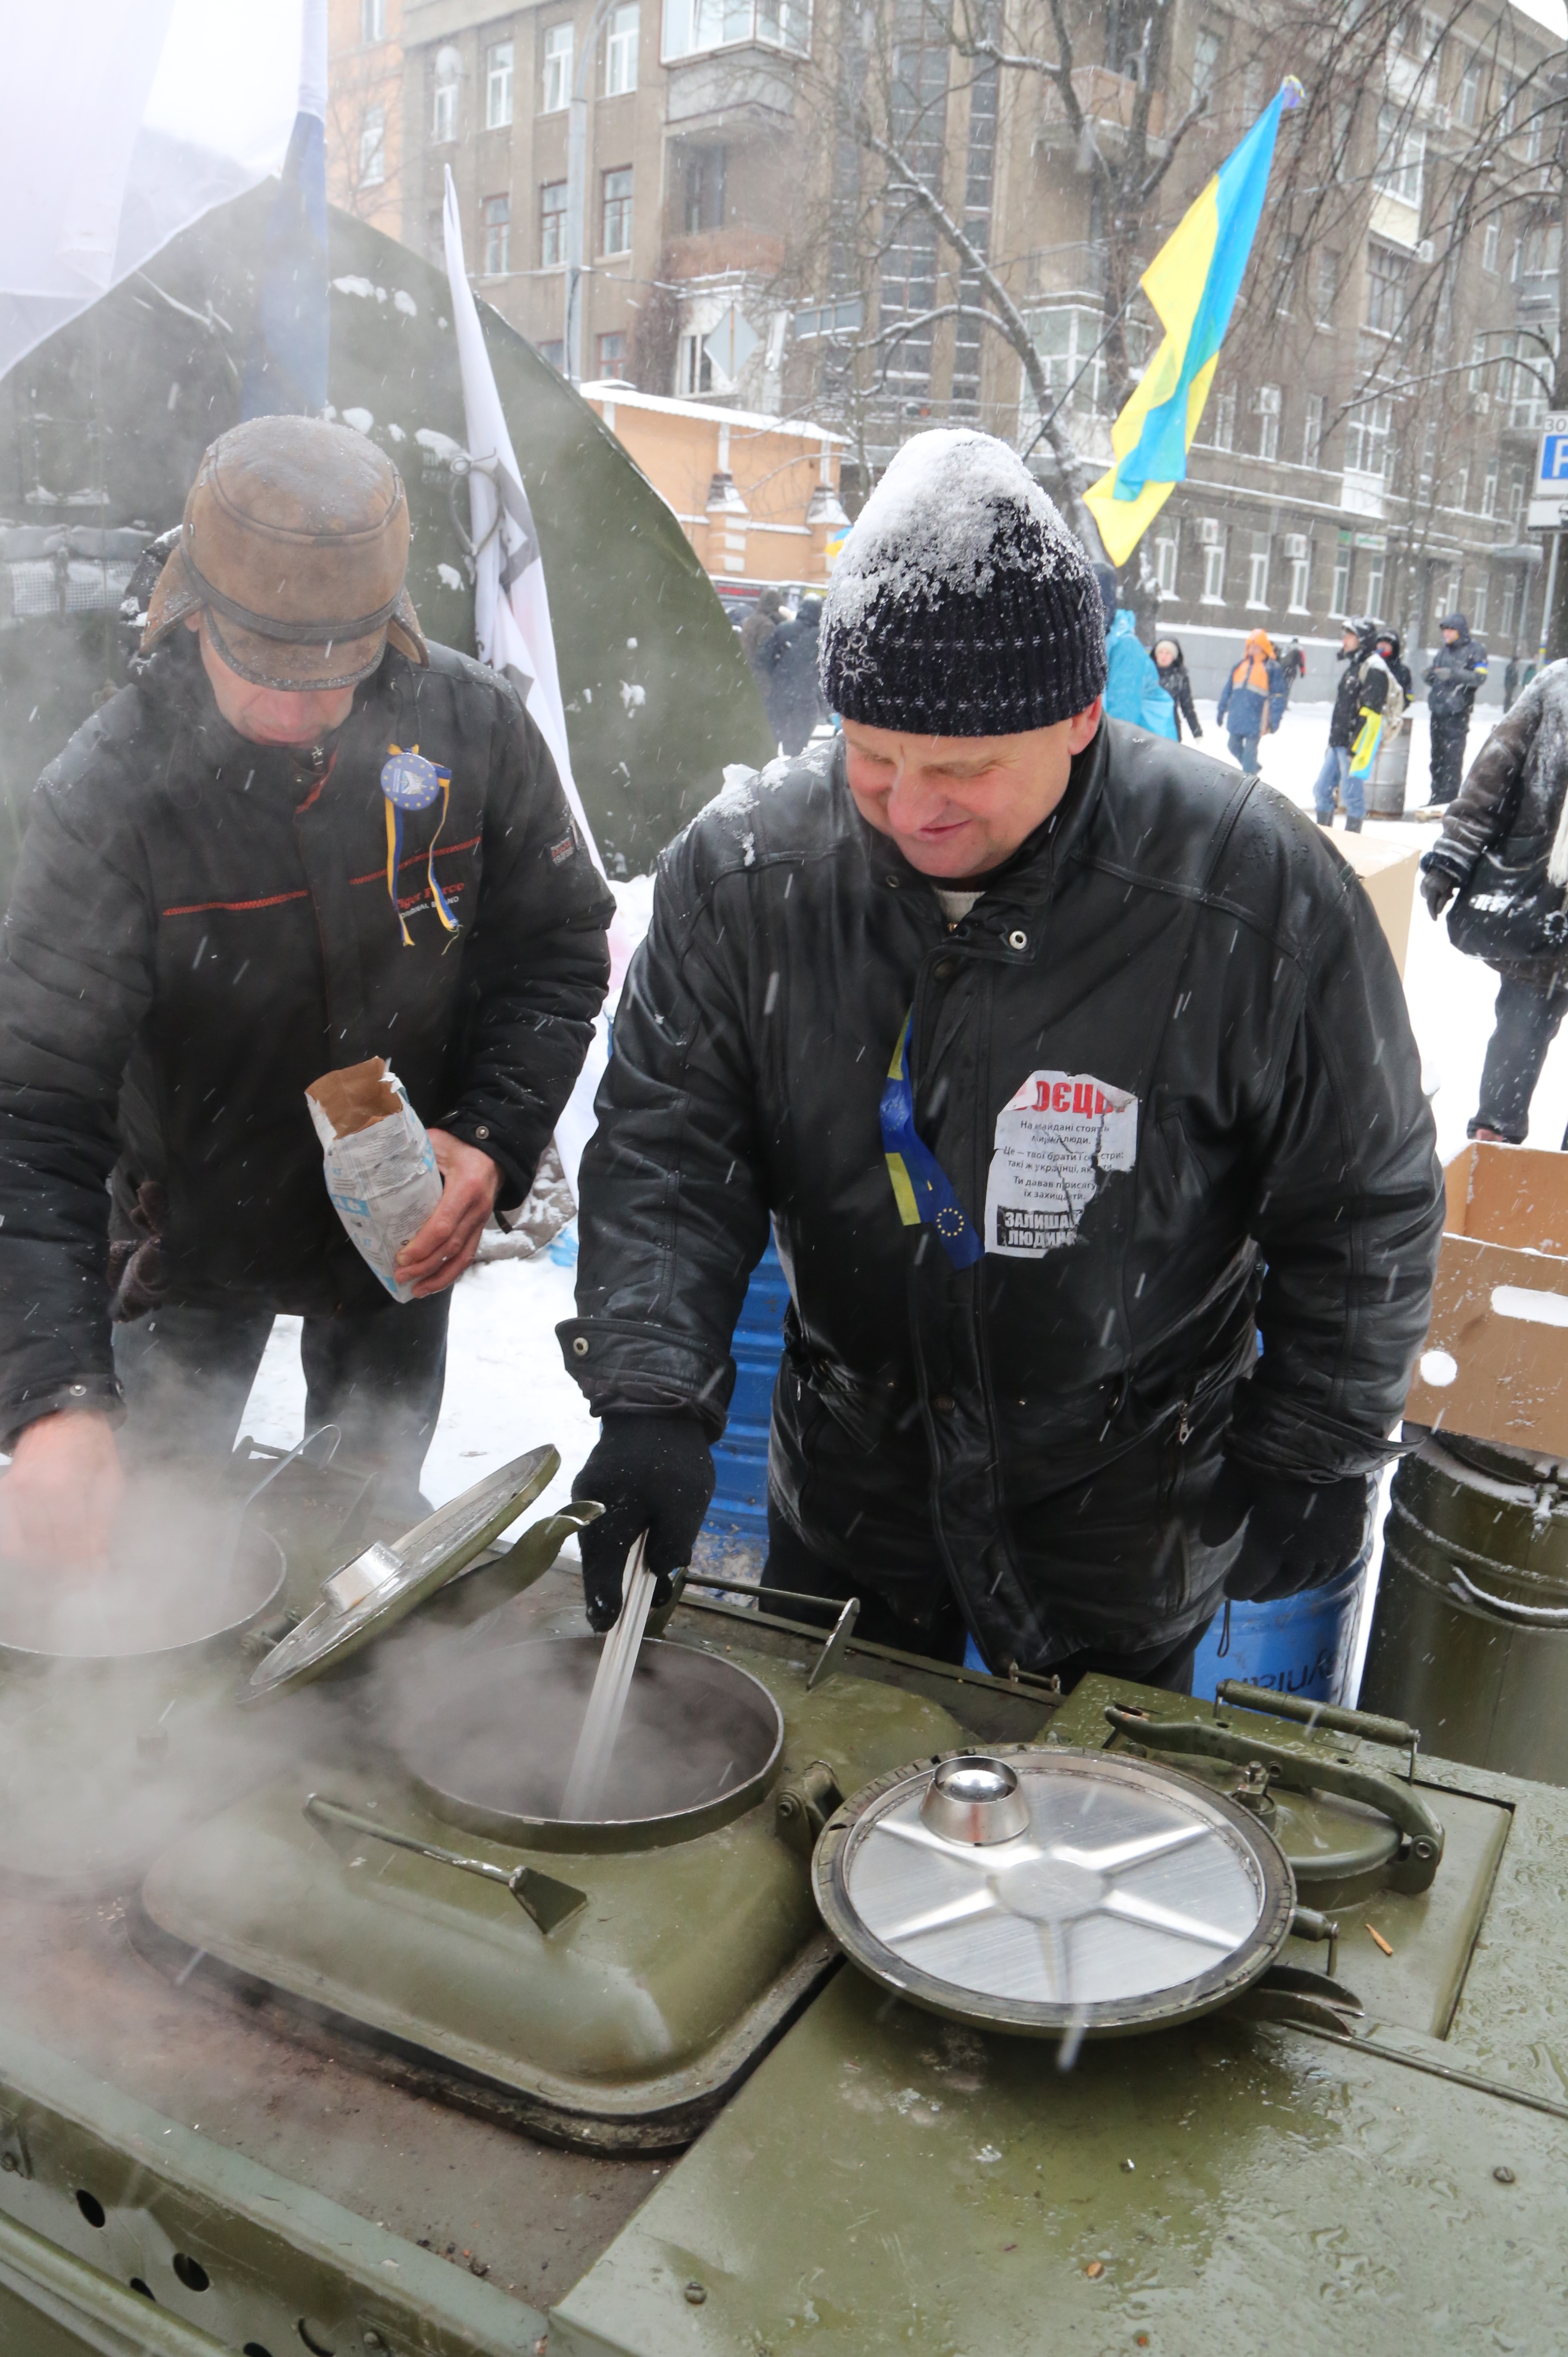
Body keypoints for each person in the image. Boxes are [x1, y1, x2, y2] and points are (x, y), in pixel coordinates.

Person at [560, 429, 1442, 1694]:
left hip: (1127, 1491)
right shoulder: (751, 875)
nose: (913, 805)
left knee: (1089, 1838)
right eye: (872, 757)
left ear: (1081, 714)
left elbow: (1364, 1198)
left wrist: (1316, 1439)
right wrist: (650, 1392)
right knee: (828, 1806)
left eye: (964, 769)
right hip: (857, 1476)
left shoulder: (1249, 892)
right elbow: (668, 1149)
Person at [0, 417, 614, 1565]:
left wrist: (489, 1134)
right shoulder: (110, 794)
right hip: (186, 1223)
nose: (303, 711)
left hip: (401, 1212)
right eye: (265, 669)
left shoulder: (471, 731)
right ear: (193, 609)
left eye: (340, 672)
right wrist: (54, 1394)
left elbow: (554, 951)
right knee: (146, 1548)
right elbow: (28, 1102)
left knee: (358, 1540)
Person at [1420, 660, 1568, 1142]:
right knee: (1521, 1028)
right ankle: (1494, 1153)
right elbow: (1495, 771)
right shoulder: (1558, 685)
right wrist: (1453, 856)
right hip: (1545, 902)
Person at [1314, 619, 1389, 832]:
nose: (1344, 640)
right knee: (1322, 790)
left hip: (1353, 747)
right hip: (1339, 742)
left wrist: (1355, 748)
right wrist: (1333, 741)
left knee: (1352, 796)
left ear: (1362, 640)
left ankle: (1352, 844)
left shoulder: (1374, 669)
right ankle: (1324, 841)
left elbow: (1370, 714)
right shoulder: (1355, 666)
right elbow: (1343, 709)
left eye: (1349, 636)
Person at [1423, 611, 1487, 806]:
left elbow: (1479, 677)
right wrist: (1430, 675)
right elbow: (1437, 673)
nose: (1446, 635)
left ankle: (1447, 800)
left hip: (1457, 713)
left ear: (1460, 631)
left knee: (1452, 759)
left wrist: (1453, 674)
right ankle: (1436, 797)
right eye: (1445, 631)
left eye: (1450, 631)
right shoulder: (1444, 651)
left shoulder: (1475, 650)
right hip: (1438, 711)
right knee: (1437, 759)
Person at [756, 592, 825, 755]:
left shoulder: (784, 629)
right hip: (805, 699)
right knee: (795, 751)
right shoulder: (821, 637)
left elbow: (764, 657)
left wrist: (779, 673)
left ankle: (767, 776)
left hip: (779, 695)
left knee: (771, 743)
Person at [1101, 600, 1177, 737]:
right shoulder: (1110, 642)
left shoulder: (1126, 645)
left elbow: (1123, 714)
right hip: (1145, 737)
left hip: (1148, 739)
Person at [1216, 629, 1275, 773]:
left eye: (1257, 646)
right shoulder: (1240, 666)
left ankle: (1249, 778)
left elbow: (1277, 697)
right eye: (1251, 646)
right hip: (1237, 716)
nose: (1253, 649)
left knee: (1250, 754)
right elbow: (1227, 691)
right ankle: (1252, 769)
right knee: (1233, 745)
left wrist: (1274, 720)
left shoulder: (1271, 668)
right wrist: (1221, 710)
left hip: (1257, 719)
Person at [1151, 635, 1200, 739]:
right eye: (1160, 652)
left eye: (1168, 653)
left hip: (1170, 727)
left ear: (1174, 656)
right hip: (1149, 725)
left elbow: (1187, 706)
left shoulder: (1180, 678)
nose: (1163, 657)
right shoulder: (1147, 673)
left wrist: (1196, 731)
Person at [738, 588, 786, 671]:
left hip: (745, 667)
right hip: (759, 674)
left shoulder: (751, 620)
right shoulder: (768, 625)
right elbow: (764, 654)